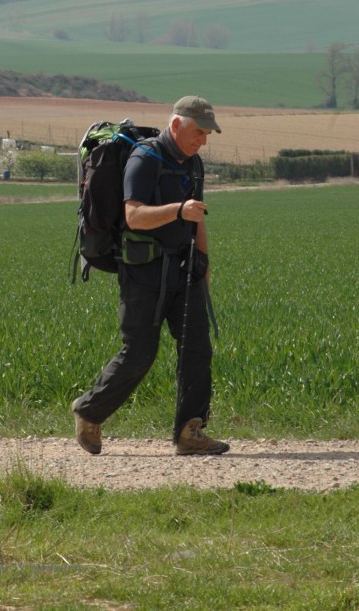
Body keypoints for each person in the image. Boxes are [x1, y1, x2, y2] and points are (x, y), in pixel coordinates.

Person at [72, 96, 229, 456]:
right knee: (139, 352)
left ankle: (190, 431)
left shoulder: (193, 165)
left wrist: (204, 267)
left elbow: (198, 217)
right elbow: (134, 216)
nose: (202, 140)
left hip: (184, 270)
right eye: (198, 132)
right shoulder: (143, 160)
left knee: (197, 349)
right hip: (142, 272)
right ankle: (88, 410)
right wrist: (178, 210)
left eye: (207, 134)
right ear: (176, 125)